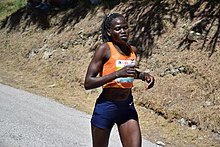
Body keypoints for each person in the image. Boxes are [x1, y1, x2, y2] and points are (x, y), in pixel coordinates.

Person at [84, 13, 155, 147]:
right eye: (118, 29)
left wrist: (143, 75)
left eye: (125, 27)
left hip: (127, 107)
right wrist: (117, 74)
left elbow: (129, 73)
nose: (123, 31)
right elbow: (88, 82)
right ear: (109, 32)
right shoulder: (104, 49)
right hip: (106, 107)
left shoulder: (131, 50)